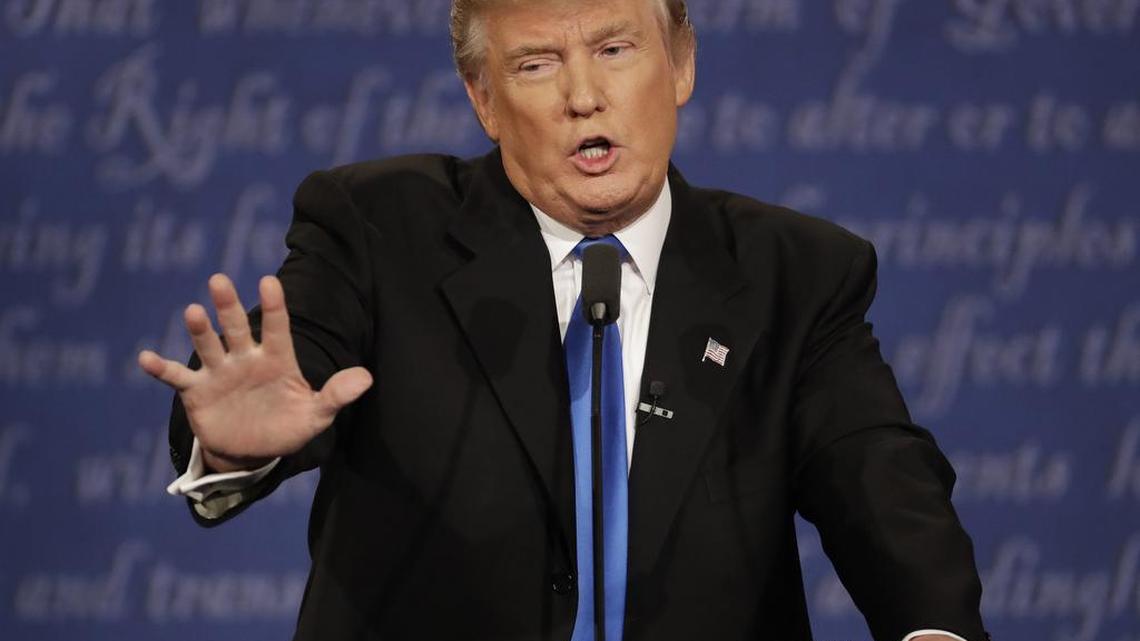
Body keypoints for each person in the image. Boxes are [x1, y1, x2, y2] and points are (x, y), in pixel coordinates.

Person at [138, 1, 989, 640]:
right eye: (537, 65)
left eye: (615, 50)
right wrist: (237, 445)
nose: (585, 96)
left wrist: (932, 626)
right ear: (483, 98)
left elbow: (879, 479)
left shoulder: (797, 274)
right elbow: (297, 363)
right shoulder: (376, 229)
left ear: (681, 62)